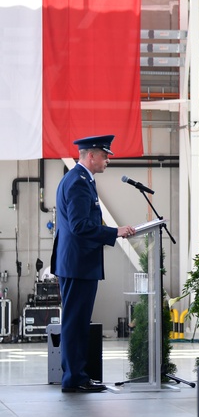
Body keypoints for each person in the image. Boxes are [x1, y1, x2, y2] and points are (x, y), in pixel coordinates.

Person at [52, 135, 136, 393]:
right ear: (91, 156)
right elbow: (79, 226)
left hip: (77, 263)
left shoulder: (80, 180)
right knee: (75, 322)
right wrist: (114, 232)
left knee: (76, 321)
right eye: (104, 155)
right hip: (78, 264)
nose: (107, 160)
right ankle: (75, 378)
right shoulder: (78, 183)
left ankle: (76, 375)